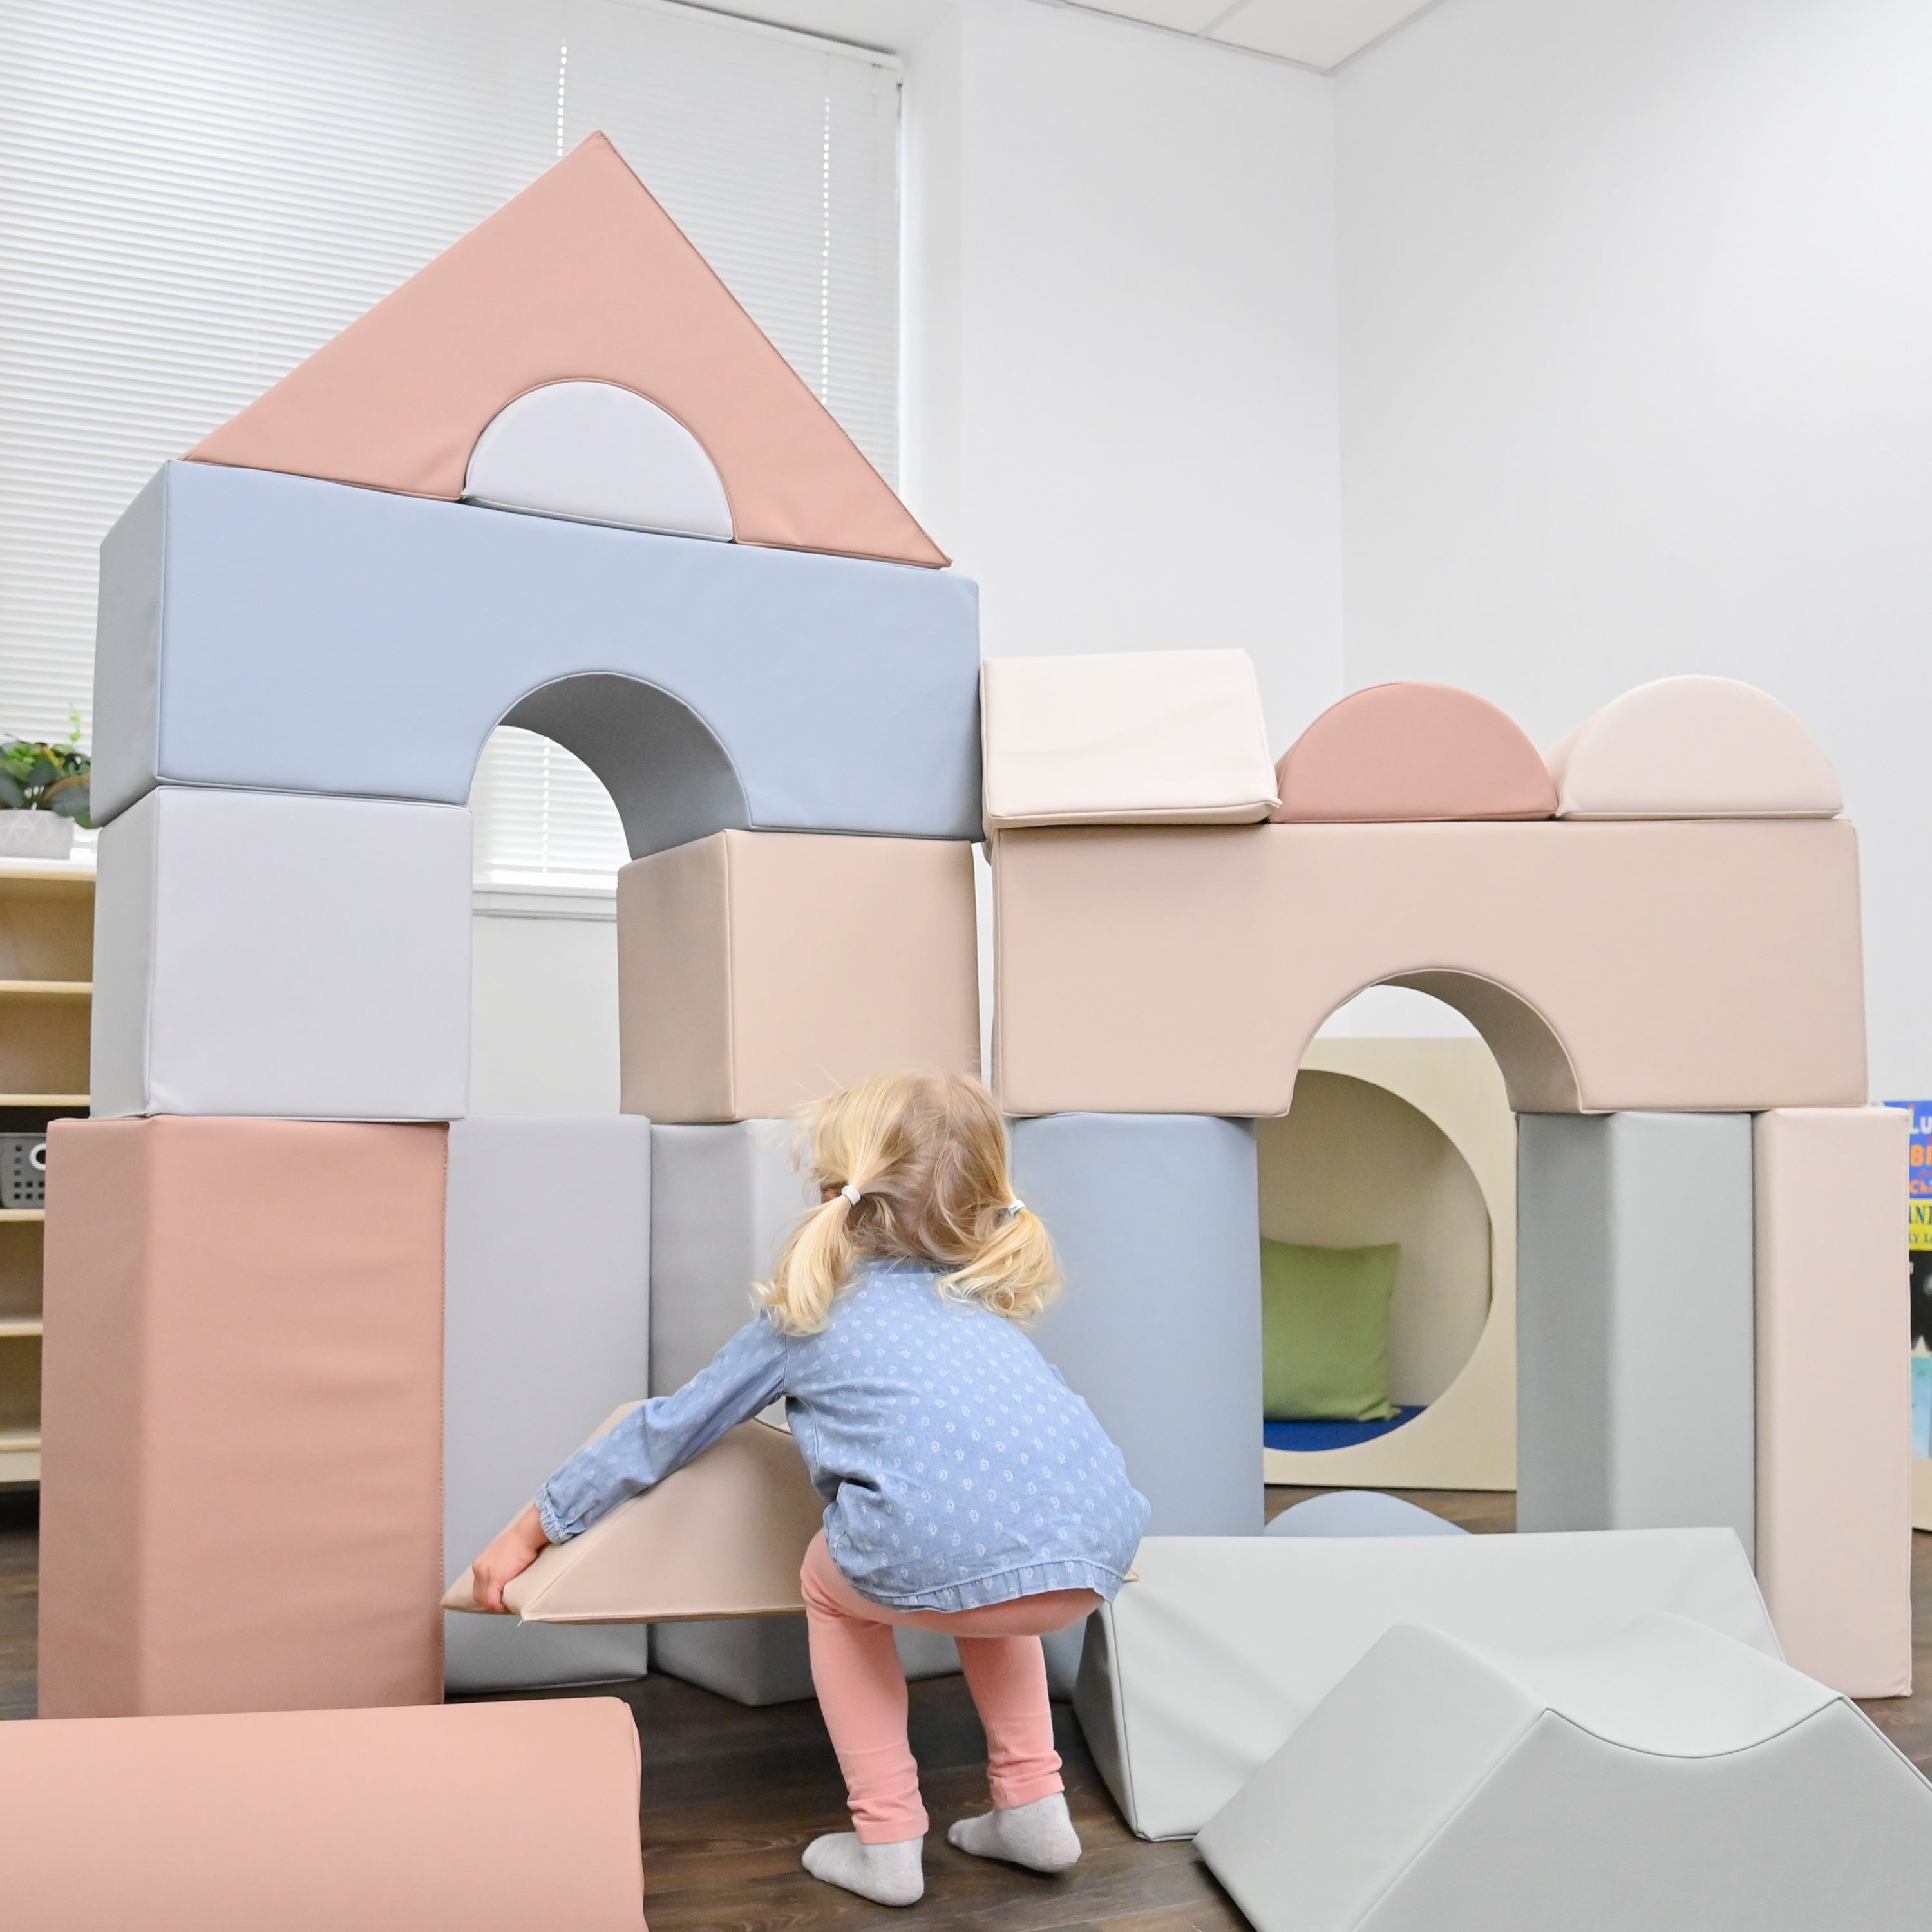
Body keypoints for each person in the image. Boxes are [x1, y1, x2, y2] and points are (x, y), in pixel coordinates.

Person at [468, 1070, 1149, 1908]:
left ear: (834, 1193)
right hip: (1095, 1556)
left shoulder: (808, 1315)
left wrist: (535, 1526)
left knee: (834, 1584)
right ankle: (1034, 1806)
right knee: (993, 1568)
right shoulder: (983, 1312)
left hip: (959, 1556)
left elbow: (667, 1429)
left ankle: (887, 1838)